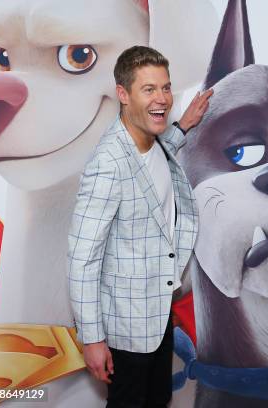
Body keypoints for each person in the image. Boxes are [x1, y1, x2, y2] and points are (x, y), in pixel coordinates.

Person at [67, 45, 212, 407]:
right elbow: (82, 257)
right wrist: (93, 339)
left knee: (157, 400)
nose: (161, 98)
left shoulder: (150, 143)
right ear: (123, 94)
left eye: (165, 87)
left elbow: (156, 162)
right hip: (125, 330)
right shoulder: (108, 164)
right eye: (149, 89)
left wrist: (185, 126)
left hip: (157, 312)